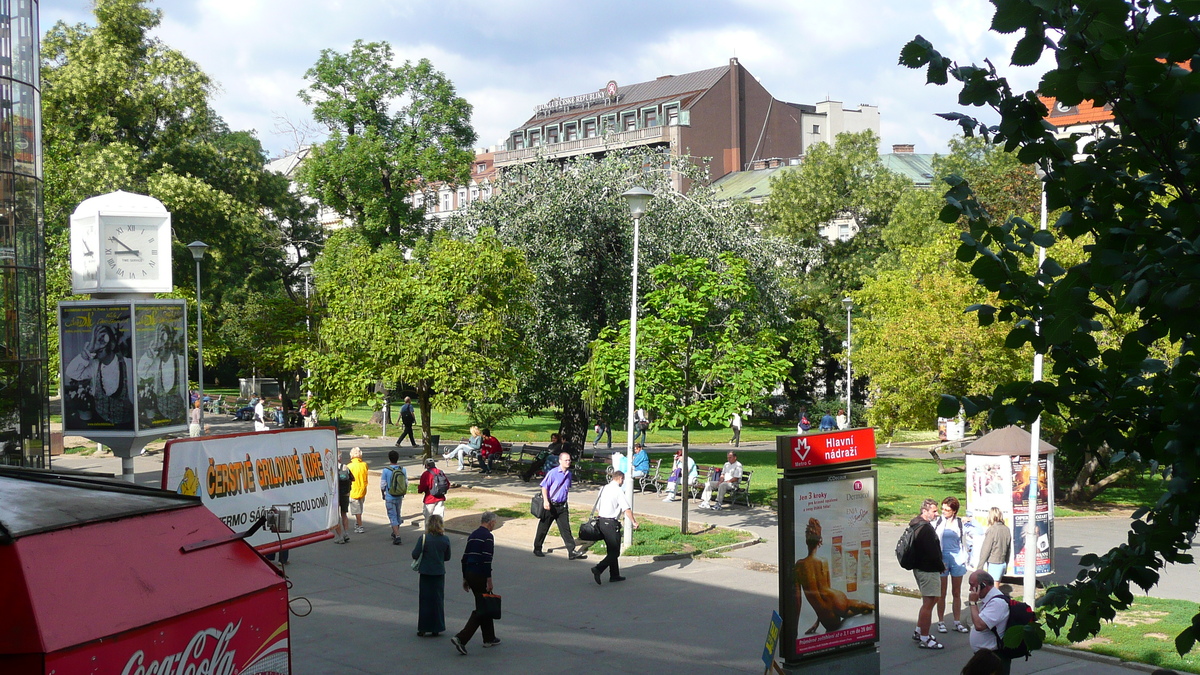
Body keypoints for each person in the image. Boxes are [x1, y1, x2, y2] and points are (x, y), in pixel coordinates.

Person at [794, 517, 876, 634]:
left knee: (839, 620)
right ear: (820, 541)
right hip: (837, 598)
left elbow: (798, 601)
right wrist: (817, 621)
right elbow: (825, 591)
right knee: (851, 608)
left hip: (826, 617)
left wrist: (796, 630)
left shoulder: (799, 565)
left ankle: (868, 607)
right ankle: (869, 607)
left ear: (806, 539)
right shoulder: (823, 561)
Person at [64, 322, 135, 427]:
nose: (99, 344)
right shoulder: (94, 366)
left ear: (112, 344)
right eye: (96, 339)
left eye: (103, 339)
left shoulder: (128, 364)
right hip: (101, 423)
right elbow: (71, 372)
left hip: (125, 427)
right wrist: (89, 349)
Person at [451, 511, 500, 655]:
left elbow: (464, 558)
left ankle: (489, 638)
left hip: (470, 573)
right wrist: (489, 579)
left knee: (483, 602)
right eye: (494, 523)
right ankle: (461, 638)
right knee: (483, 608)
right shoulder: (488, 537)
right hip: (480, 574)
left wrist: (465, 578)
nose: (494, 526)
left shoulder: (473, 535)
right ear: (490, 522)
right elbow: (486, 560)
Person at [534, 451, 588, 559]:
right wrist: (546, 501)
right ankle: (537, 548)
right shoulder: (553, 473)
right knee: (543, 527)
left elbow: (566, 489)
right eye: (566, 460)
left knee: (565, 529)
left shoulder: (569, 474)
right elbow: (544, 487)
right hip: (550, 505)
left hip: (562, 506)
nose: (568, 462)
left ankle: (571, 551)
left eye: (569, 460)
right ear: (560, 461)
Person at [910, 498, 947, 650]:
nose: (937, 514)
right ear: (924, 511)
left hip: (921, 568)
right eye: (934, 511)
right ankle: (925, 638)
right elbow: (932, 553)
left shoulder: (916, 523)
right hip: (928, 570)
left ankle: (919, 631)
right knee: (929, 603)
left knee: (932, 600)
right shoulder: (925, 529)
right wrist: (941, 566)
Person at [590, 470, 639, 584]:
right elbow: (626, 508)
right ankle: (598, 568)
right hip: (611, 523)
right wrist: (634, 522)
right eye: (623, 480)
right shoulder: (618, 490)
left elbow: (598, 505)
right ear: (620, 478)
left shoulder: (604, 488)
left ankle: (614, 575)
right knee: (615, 552)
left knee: (611, 549)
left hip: (601, 521)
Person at [136, 322, 187, 426]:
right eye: (158, 340)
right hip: (161, 418)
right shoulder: (155, 364)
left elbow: (184, 390)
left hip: (178, 419)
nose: (160, 345)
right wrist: (150, 352)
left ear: (170, 342)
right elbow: (142, 373)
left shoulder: (181, 361)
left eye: (163, 339)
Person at [935, 496, 972, 634]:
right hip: (943, 557)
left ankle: (957, 622)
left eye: (947, 509)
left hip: (957, 558)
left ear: (954, 511)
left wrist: (971, 520)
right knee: (942, 592)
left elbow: (979, 530)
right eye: (942, 508)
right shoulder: (938, 521)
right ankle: (940, 621)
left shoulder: (960, 523)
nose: (943, 511)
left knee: (956, 592)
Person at [413, 514, 452, 637]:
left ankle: (423, 627)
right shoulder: (445, 539)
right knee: (437, 600)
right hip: (439, 573)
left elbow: (415, 554)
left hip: (425, 572)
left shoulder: (424, 538)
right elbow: (447, 557)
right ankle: (437, 627)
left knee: (425, 600)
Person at [966, 570, 1010, 674]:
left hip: (993, 658)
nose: (970, 589)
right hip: (986, 657)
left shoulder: (997, 603)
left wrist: (972, 603)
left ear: (983, 584)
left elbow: (979, 625)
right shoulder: (990, 599)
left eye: (972, 585)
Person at [976, 507, 1013, 580]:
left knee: (993, 589)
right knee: (996, 586)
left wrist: (980, 567)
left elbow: (986, 549)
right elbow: (1009, 549)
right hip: (1002, 562)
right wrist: (1006, 563)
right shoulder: (1006, 529)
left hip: (994, 563)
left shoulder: (992, 530)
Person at [381, 450, 406, 545]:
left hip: (390, 496)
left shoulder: (386, 470)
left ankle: (397, 535)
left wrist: (383, 493)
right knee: (398, 514)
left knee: (392, 515)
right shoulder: (403, 469)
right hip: (399, 495)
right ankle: (395, 532)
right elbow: (406, 482)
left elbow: (383, 484)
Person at [418, 458, 448, 528]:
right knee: (439, 519)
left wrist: (419, 490)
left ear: (426, 465)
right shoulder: (440, 472)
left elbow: (422, 487)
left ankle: (428, 535)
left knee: (428, 519)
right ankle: (440, 534)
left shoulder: (426, 474)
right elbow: (447, 484)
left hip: (429, 499)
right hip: (440, 498)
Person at [347, 446, 368, 533]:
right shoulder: (364, 465)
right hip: (362, 490)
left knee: (357, 510)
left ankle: (360, 526)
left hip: (353, 490)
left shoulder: (349, 466)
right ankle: (357, 523)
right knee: (360, 508)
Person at [333, 451, 352, 543]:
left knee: (335, 517)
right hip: (345, 493)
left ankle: (340, 537)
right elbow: (352, 478)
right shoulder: (345, 467)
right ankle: (346, 533)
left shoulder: (332, 468)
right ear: (340, 458)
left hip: (335, 495)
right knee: (344, 514)